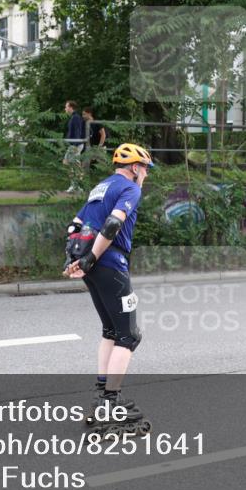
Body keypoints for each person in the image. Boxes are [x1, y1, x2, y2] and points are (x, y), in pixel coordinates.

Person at [63, 143, 153, 413]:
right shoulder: (130, 188)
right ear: (135, 167)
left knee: (111, 331)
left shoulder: (100, 187)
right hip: (110, 264)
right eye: (145, 169)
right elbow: (113, 224)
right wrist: (91, 257)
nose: (146, 174)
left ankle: (102, 393)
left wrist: (74, 259)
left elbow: (75, 226)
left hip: (92, 268)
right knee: (129, 335)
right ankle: (111, 401)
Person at [62, 101, 86, 193]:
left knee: (71, 164)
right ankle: (75, 185)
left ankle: (76, 186)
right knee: (70, 164)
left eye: (66, 107)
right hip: (74, 144)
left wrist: (75, 145)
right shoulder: (74, 117)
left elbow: (77, 132)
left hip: (75, 145)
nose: (65, 108)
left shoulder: (75, 117)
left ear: (71, 107)